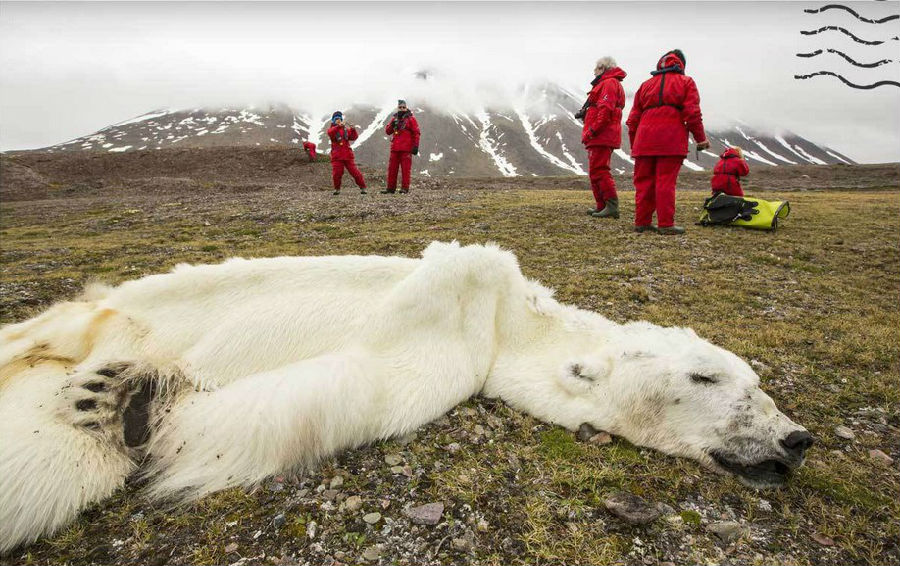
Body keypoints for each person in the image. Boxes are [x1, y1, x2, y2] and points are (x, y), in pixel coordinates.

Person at [626, 49, 710, 235]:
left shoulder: (645, 85)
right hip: (671, 140)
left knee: (643, 183)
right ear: (681, 64)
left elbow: (632, 120)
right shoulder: (686, 82)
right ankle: (665, 224)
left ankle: (642, 222)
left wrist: (635, 145)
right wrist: (701, 139)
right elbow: (692, 113)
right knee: (665, 182)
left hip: (644, 141)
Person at [581, 57, 627, 219]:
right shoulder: (607, 83)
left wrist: (592, 130)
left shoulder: (609, 83)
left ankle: (611, 206)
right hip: (600, 135)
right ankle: (602, 206)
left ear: (603, 68)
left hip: (601, 134)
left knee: (600, 170)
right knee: (595, 170)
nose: (594, 71)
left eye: (596, 68)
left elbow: (605, 110)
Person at [381, 99, 420, 194]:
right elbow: (388, 131)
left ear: (406, 108)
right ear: (397, 108)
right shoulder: (394, 119)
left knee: (405, 170)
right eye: (400, 107)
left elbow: (416, 133)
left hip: (406, 149)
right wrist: (392, 125)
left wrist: (415, 146)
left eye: (403, 107)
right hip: (395, 149)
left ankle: (405, 188)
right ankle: (390, 189)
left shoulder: (411, 119)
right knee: (392, 169)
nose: (402, 109)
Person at [326, 111, 367, 196]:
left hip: (348, 156)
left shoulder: (345, 129)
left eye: (339, 119)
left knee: (355, 172)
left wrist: (353, 129)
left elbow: (353, 137)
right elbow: (330, 133)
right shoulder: (332, 129)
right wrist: (338, 126)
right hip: (337, 156)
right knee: (337, 174)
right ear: (333, 120)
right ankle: (337, 189)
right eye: (336, 119)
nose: (338, 120)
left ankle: (363, 187)